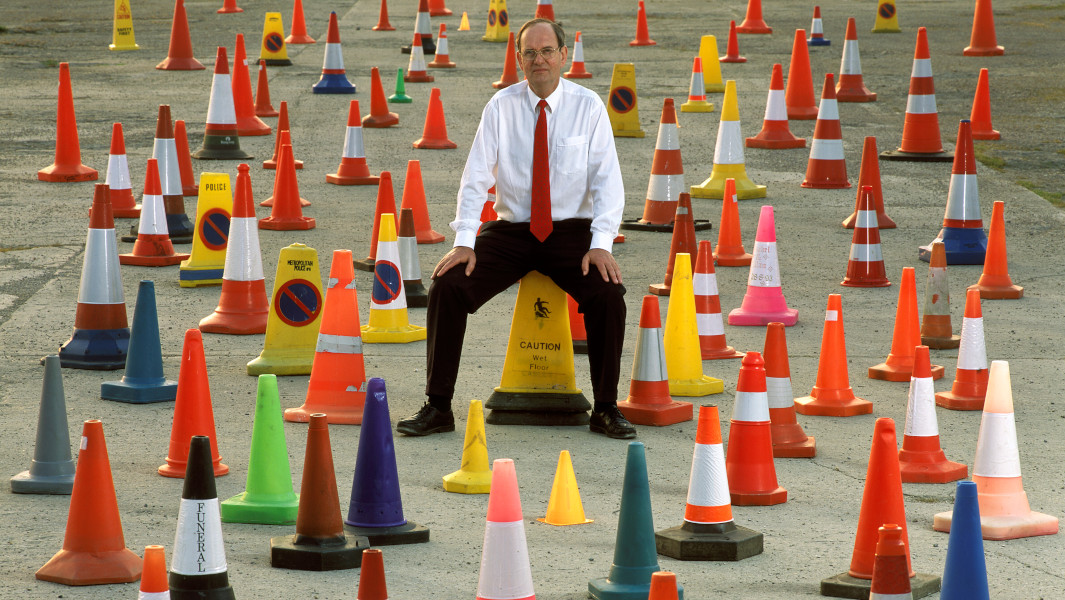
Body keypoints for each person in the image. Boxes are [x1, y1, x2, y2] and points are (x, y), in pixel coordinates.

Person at [396, 18, 635, 439]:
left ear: (563, 56)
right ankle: (438, 406)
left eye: (547, 51)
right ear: (519, 59)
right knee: (447, 285)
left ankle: (605, 408)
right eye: (530, 53)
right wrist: (465, 241)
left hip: (571, 232)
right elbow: (475, 179)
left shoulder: (588, 107)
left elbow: (607, 182)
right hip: (513, 231)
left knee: (608, 295)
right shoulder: (501, 106)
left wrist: (601, 244)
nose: (539, 59)